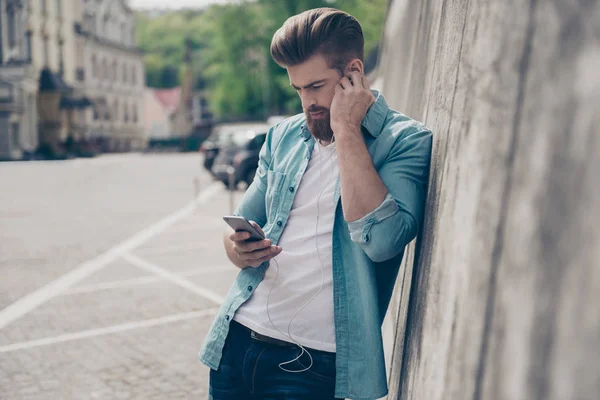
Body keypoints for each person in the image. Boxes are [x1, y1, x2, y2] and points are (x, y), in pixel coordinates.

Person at [199, 7, 432, 400]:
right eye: (298, 89)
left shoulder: (405, 141)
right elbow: (239, 223)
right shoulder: (283, 137)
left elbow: (382, 242)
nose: (307, 102)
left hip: (312, 366)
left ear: (353, 72)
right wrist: (238, 249)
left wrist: (346, 129)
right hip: (236, 343)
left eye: (316, 86)